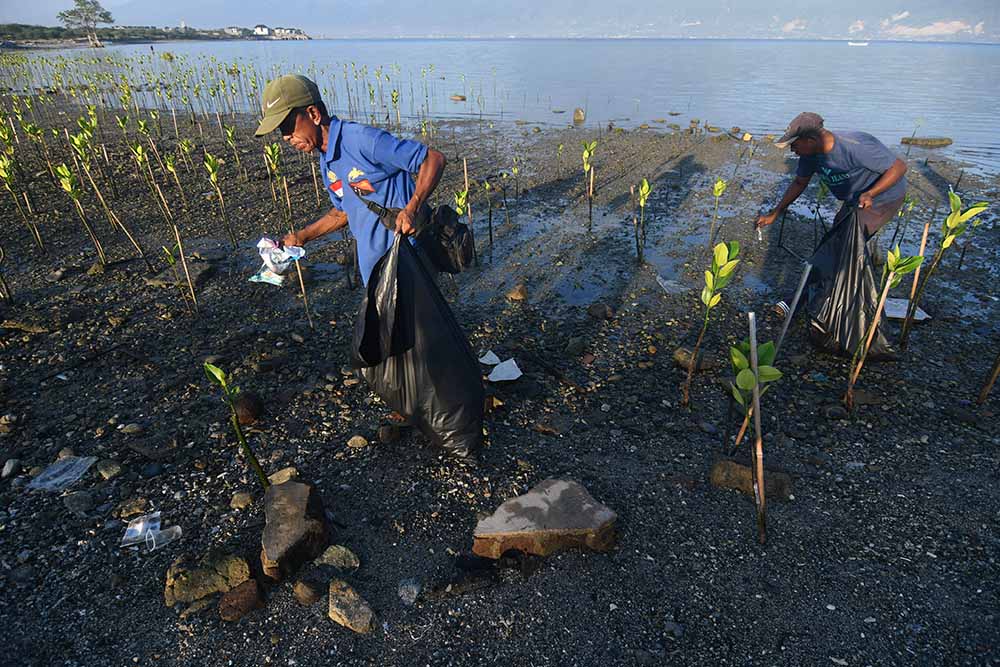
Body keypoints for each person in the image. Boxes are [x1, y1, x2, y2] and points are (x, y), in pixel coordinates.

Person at [253, 74, 446, 286]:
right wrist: (302, 236)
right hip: (374, 273)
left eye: (288, 125)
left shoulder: (362, 140)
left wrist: (412, 208)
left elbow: (432, 159)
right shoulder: (327, 161)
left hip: (408, 261)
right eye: (281, 130)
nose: (285, 137)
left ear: (313, 114)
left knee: (418, 320)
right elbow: (343, 211)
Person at [756, 112, 908, 317]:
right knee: (835, 243)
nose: (793, 150)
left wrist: (871, 193)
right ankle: (823, 297)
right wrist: (775, 213)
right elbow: (800, 183)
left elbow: (899, 167)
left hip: (884, 198)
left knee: (837, 249)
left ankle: (799, 301)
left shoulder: (855, 146)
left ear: (811, 140)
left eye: (795, 144)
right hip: (856, 200)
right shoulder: (810, 155)